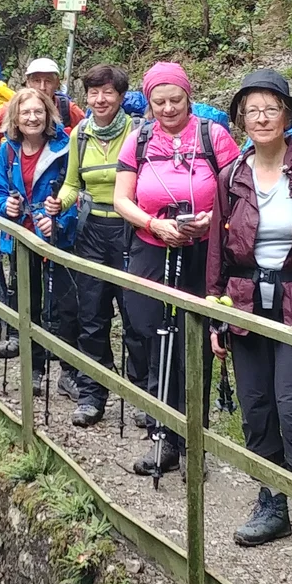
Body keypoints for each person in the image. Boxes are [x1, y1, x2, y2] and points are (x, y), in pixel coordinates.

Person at [206, 68, 292, 573]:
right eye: (252, 109)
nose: (261, 117)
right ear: (241, 117)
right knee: (256, 407)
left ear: (287, 115)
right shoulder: (231, 176)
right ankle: (272, 501)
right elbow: (218, 251)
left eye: (271, 108)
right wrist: (215, 310)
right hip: (243, 300)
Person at [112, 62, 241, 476]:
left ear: (189, 97)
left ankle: (193, 443)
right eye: (159, 101)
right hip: (151, 247)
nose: (168, 109)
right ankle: (162, 436)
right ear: (148, 102)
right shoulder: (139, 139)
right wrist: (152, 223)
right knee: (152, 337)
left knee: (195, 343)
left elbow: (238, 190)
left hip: (203, 250)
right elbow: (122, 199)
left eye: (176, 100)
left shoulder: (213, 136)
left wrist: (211, 218)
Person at [0, 57, 85, 357]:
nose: (32, 118)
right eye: (25, 112)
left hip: (52, 230)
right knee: (23, 286)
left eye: (38, 112)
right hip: (20, 231)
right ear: (15, 118)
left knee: (58, 290)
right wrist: (4, 205)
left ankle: (56, 344)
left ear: (49, 113)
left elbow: (74, 189)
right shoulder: (8, 148)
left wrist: (60, 221)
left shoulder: (65, 145)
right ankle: (22, 338)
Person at [54, 64, 134, 427]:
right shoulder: (80, 134)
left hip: (132, 232)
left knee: (137, 318)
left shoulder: (137, 133)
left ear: (120, 96)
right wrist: (58, 203)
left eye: (108, 92)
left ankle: (144, 395)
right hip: (92, 231)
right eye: (94, 92)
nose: (100, 100)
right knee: (92, 315)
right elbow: (73, 184)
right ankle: (92, 392)